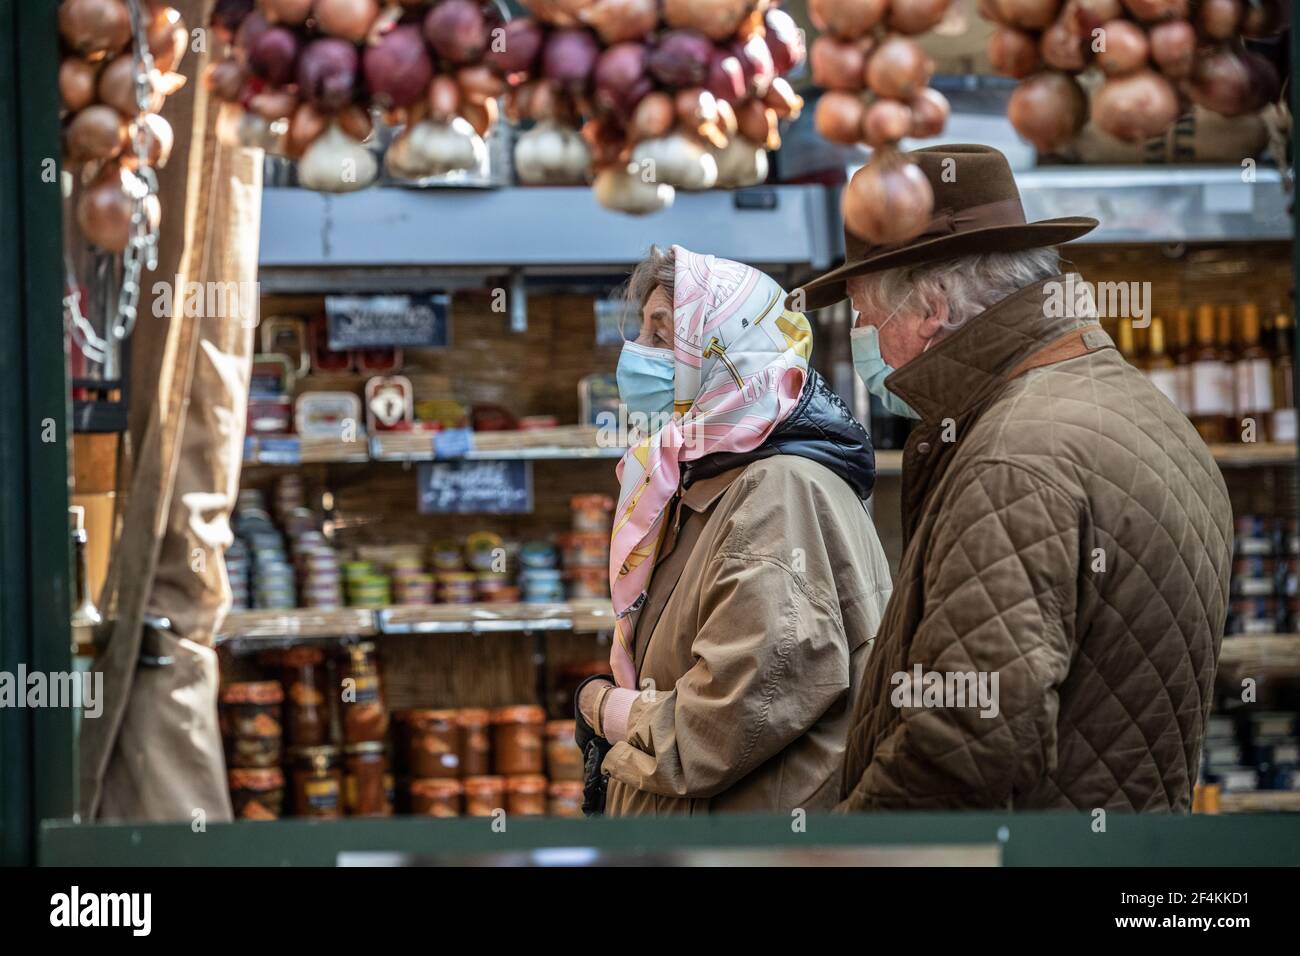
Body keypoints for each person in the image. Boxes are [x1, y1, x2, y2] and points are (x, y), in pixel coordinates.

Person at [789, 144, 1233, 812]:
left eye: (863, 312)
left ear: (931, 306)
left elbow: (965, 741)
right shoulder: (1137, 410)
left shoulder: (1014, 458)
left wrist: (842, 850)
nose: (864, 336)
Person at [574, 244, 893, 815]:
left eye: (661, 335)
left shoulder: (779, 492)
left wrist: (606, 710)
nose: (637, 355)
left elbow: (725, 722)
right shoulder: (708, 479)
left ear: (724, 351)